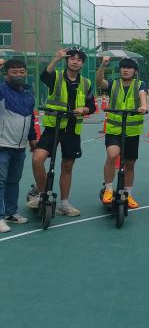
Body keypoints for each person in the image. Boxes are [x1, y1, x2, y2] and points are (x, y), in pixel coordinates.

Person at [28, 47, 95, 217]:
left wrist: (84, 109)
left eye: (79, 60)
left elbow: (92, 106)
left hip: (72, 129)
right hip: (53, 127)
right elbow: (44, 76)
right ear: (67, 60)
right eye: (72, 58)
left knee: (67, 166)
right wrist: (55, 59)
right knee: (37, 159)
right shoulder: (56, 76)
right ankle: (43, 194)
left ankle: (64, 204)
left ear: (82, 64)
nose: (75, 62)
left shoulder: (86, 83)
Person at [97, 56, 148, 209]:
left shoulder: (140, 84)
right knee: (112, 155)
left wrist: (143, 106)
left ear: (135, 71)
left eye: (129, 68)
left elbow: (143, 95)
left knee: (130, 163)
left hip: (132, 131)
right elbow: (100, 82)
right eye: (123, 67)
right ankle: (108, 189)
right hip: (114, 129)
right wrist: (103, 66)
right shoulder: (113, 84)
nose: (126, 70)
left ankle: (128, 193)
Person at [0, 59, 36, 232]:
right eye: (14, 72)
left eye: (22, 72)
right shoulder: (1, 90)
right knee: (0, 182)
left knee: (13, 181)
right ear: (6, 74)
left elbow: (30, 117)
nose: (19, 75)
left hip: (20, 147)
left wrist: (32, 138)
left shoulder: (28, 91)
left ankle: (10, 213)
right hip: (2, 145)